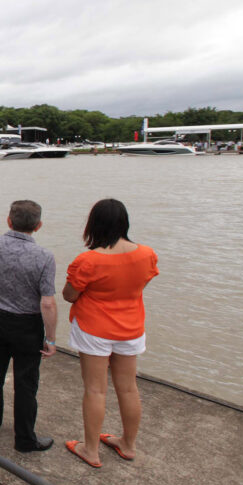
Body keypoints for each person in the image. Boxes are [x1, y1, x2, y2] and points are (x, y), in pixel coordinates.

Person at [62, 199, 158, 468]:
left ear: (94, 224)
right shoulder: (147, 254)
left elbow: (70, 295)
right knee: (128, 388)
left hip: (94, 328)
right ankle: (128, 444)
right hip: (131, 327)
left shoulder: (88, 260)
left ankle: (90, 450)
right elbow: (142, 283)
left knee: (95, 390)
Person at [0, 200, 57, 453]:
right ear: (38, 226)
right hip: (27, 324)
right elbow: (47, 303)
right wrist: (51, 337)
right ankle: (25, 438)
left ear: (8, 220)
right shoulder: (45, 257)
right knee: (26, 382)